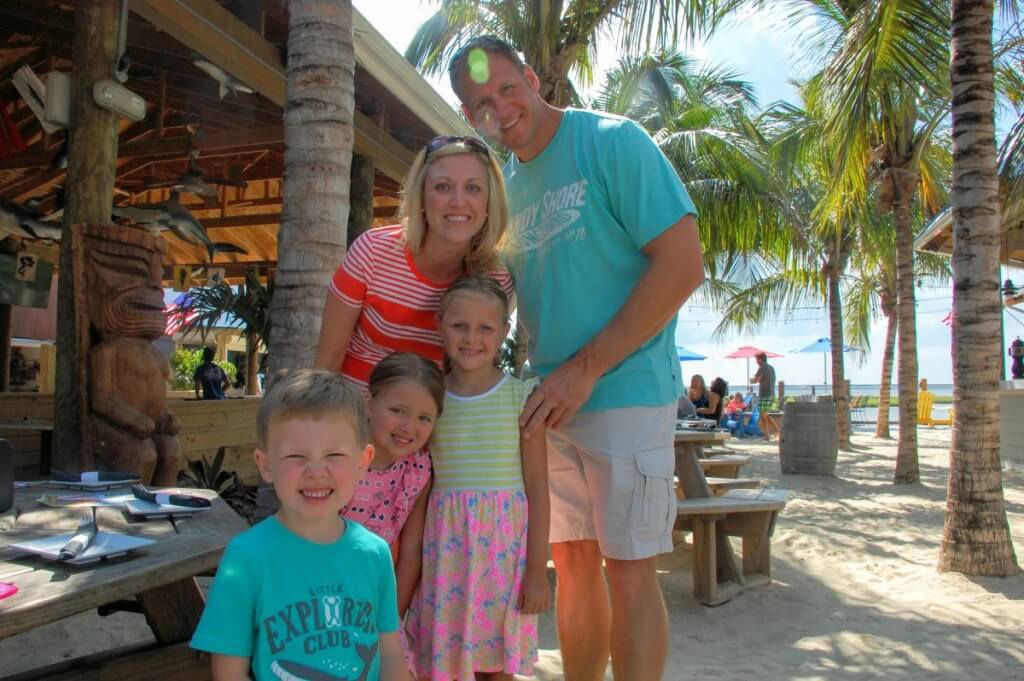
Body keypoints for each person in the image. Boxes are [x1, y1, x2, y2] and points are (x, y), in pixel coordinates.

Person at [449, 37, 704, 681]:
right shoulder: (503, 190)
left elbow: (683, 265)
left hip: (625, 390)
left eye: (507, 88)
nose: (499, 109)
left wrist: (586, 370)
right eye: (479, 104)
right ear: (469, 117)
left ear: (532, 78)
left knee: (631, 574)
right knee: (574, 570)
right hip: (551, 404)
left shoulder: (613, 143)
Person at [190, 369, 408, 681]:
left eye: (334, 454)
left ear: (363, 461)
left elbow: (389, 652)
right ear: (265, 465)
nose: (316, 471)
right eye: (296, 456)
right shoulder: (247, 558)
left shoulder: (374, 553)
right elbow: (229, 671)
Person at [405, 275, 550, 681]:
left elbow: (538, 488)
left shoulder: (521, 397)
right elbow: (423, 482)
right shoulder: (430, 402)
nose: (472, 338)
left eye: (486, 328)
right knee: (447, 662)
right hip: (447, 553)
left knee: (497, 665)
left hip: (505, 557)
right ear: (440, 326)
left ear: (504, 332)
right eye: (459, 326)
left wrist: (537, 569)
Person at [315, 135, 513, 391]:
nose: (458, 201)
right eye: (443, 187)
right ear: (421, 197)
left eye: (473, 188)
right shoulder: (373, 252)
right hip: (351, 419)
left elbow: (473, 379)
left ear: (489, 202)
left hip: (429, 426)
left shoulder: (495, 280)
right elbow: (326, 363)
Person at [342, 352, 444, 618]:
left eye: (424, 418)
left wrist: (390, 622)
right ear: (369, 402)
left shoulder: (418, 471)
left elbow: (411, 554)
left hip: (373, 603)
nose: (408, 427)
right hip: (316, 592)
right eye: (397, 411)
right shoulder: (339, 457)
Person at [752, 351, 778, 439]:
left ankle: (770, 434)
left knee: (763, 415)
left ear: (760, 360)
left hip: (764, 394)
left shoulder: (762, 368)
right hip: (772, 393)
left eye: (756, 360)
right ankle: (772, 433)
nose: (756, 362)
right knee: (764, 414)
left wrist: (751, 380)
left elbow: (756, 380)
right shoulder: (771, 368)